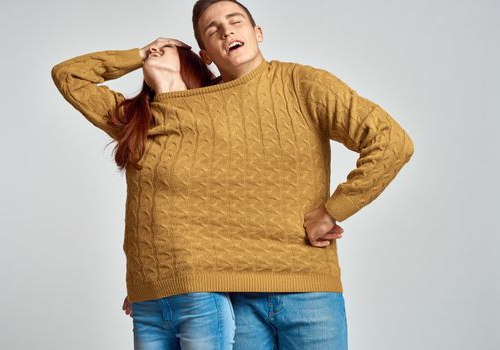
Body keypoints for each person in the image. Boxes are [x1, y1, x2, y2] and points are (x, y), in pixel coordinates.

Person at [123, 0, 414, 349]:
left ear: (257, 32)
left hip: (309, 287)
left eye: (235, 21)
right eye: (213, 30)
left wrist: (333, 210)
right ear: (206, 55)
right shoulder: (190, 109)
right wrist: (152, 282)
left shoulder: (304, 84)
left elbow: (391, 142)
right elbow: (167, 196)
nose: (227, 30)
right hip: (233, 293)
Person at [51, 39, 237, 350]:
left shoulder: (217, 117)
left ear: (191, 64)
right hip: (147, 297)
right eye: (152, 48)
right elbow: (67, 75)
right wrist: (136, 55)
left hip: (201, 293)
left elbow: (236, 201)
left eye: (167, 48)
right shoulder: (135, 122)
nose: (154, 49)